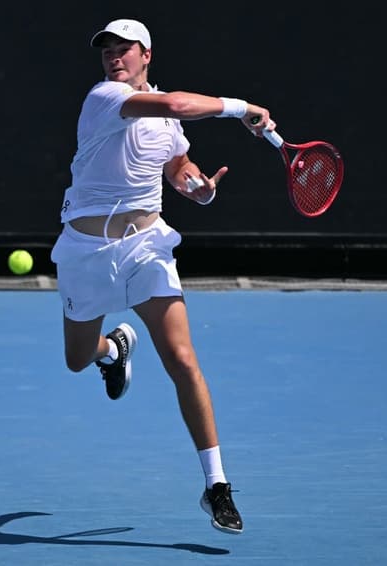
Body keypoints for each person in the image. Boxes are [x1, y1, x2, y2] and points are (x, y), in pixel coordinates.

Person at [50, 18, 274, 535]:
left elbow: (177, 164)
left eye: (123, 50)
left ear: (145, 54)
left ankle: (217, 486)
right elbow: (175, 104)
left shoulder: (166, 116)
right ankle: (112, 351)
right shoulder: (105, 97)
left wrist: (196, 187)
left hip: (147, 246)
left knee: (181, 357)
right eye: (106, 50)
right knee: (76, 359)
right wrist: (240, 108)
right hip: (87, 251)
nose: (113, 58)